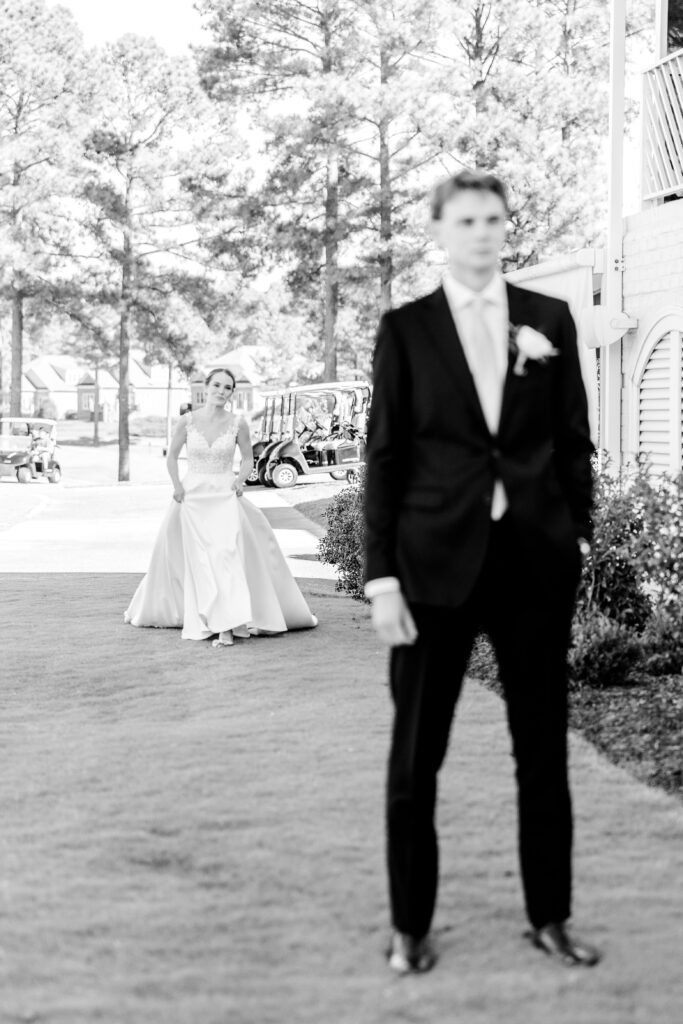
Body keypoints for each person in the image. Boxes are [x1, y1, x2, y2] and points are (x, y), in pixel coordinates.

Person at [364, 170, 599, 975]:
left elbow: (572, 442)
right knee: (414, 756)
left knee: (542, 753)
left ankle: (550, 917)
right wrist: (381, 579)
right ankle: (409, 926)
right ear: (438, 230)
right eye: (465, 220)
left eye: (494, 218)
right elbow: (384, 460)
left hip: (535, 565)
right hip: (430, 572)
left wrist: (579, 536)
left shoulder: (547, 319)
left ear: (506, 227)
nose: (482, 232)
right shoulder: (405, 330)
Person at [125, 368, 318, 646]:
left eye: (227, 388)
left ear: (231, 393)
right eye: (217, 385)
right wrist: (177, 486)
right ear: (207, 387)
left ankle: (228, 623)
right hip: (193, 497)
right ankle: (212, 618)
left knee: (226, 555)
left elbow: (249, 460)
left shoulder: (238, 423)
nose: (221, 391)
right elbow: (172, 458)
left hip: (225, 495)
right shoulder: (187, 421)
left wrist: (240, 480)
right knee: (201, 560)